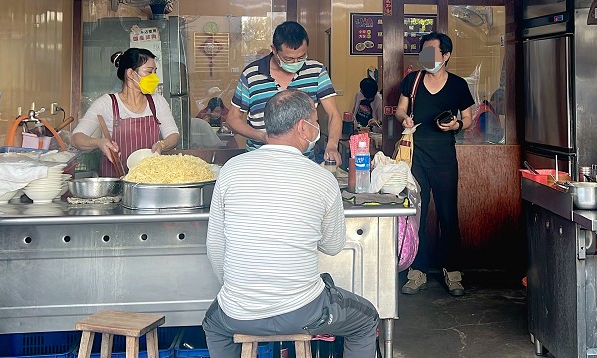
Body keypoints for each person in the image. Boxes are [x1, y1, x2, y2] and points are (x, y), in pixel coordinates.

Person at [202, 89, 380, 358]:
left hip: (236, 313)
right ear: (302, 128)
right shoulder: (322, 179)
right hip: (304, 311)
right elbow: (333, 246)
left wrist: (242, 295)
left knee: (212, 325)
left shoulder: (231, 170)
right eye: (315, 122)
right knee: (366, 319)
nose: (317, 128)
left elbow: (215, 245)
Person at [395, 32, 475, 297]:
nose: (427, 58)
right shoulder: (413, 81)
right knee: (415, 216)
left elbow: (469, 119)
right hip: (416, 157)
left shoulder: (458, 86)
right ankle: (417, 271)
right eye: (424, 53)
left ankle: (453, 272)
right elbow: (399, 110)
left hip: (444, 159)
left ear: (446, 55)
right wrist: (405, 119)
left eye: (432, 53)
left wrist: (456, 125)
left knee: (447, 215)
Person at [227, 21, 342, 164]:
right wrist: (262, 137)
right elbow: (232, 118)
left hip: (303, 162)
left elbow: (333, 114)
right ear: (274, 49)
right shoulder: (252, 74)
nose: (295, 62)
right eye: (288, 58)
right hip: (260, 161)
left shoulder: (316, 71)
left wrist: (332, 145)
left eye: (301, 57)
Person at [71, 48, 180, 177]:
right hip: (114, 183)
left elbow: (174, 135)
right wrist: (99, 142)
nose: (154, 77)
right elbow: (76, 139)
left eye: (155, 72)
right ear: (131, 74)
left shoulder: (157, 102)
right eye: (149, 72)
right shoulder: (106, 103)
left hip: (149, 181)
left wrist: (162, 144)